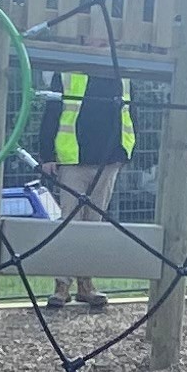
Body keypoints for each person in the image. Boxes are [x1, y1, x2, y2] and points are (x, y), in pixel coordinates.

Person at [41, 62, 130, 311]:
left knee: (94, 225)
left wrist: (124, 153)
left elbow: (129, 115)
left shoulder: (122, 74)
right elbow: (52, 110)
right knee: (70, 222)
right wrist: (47, 153)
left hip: (108, 160)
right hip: (73, 160)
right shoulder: (67, 71)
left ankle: (85, 285)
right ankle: (61, 286)